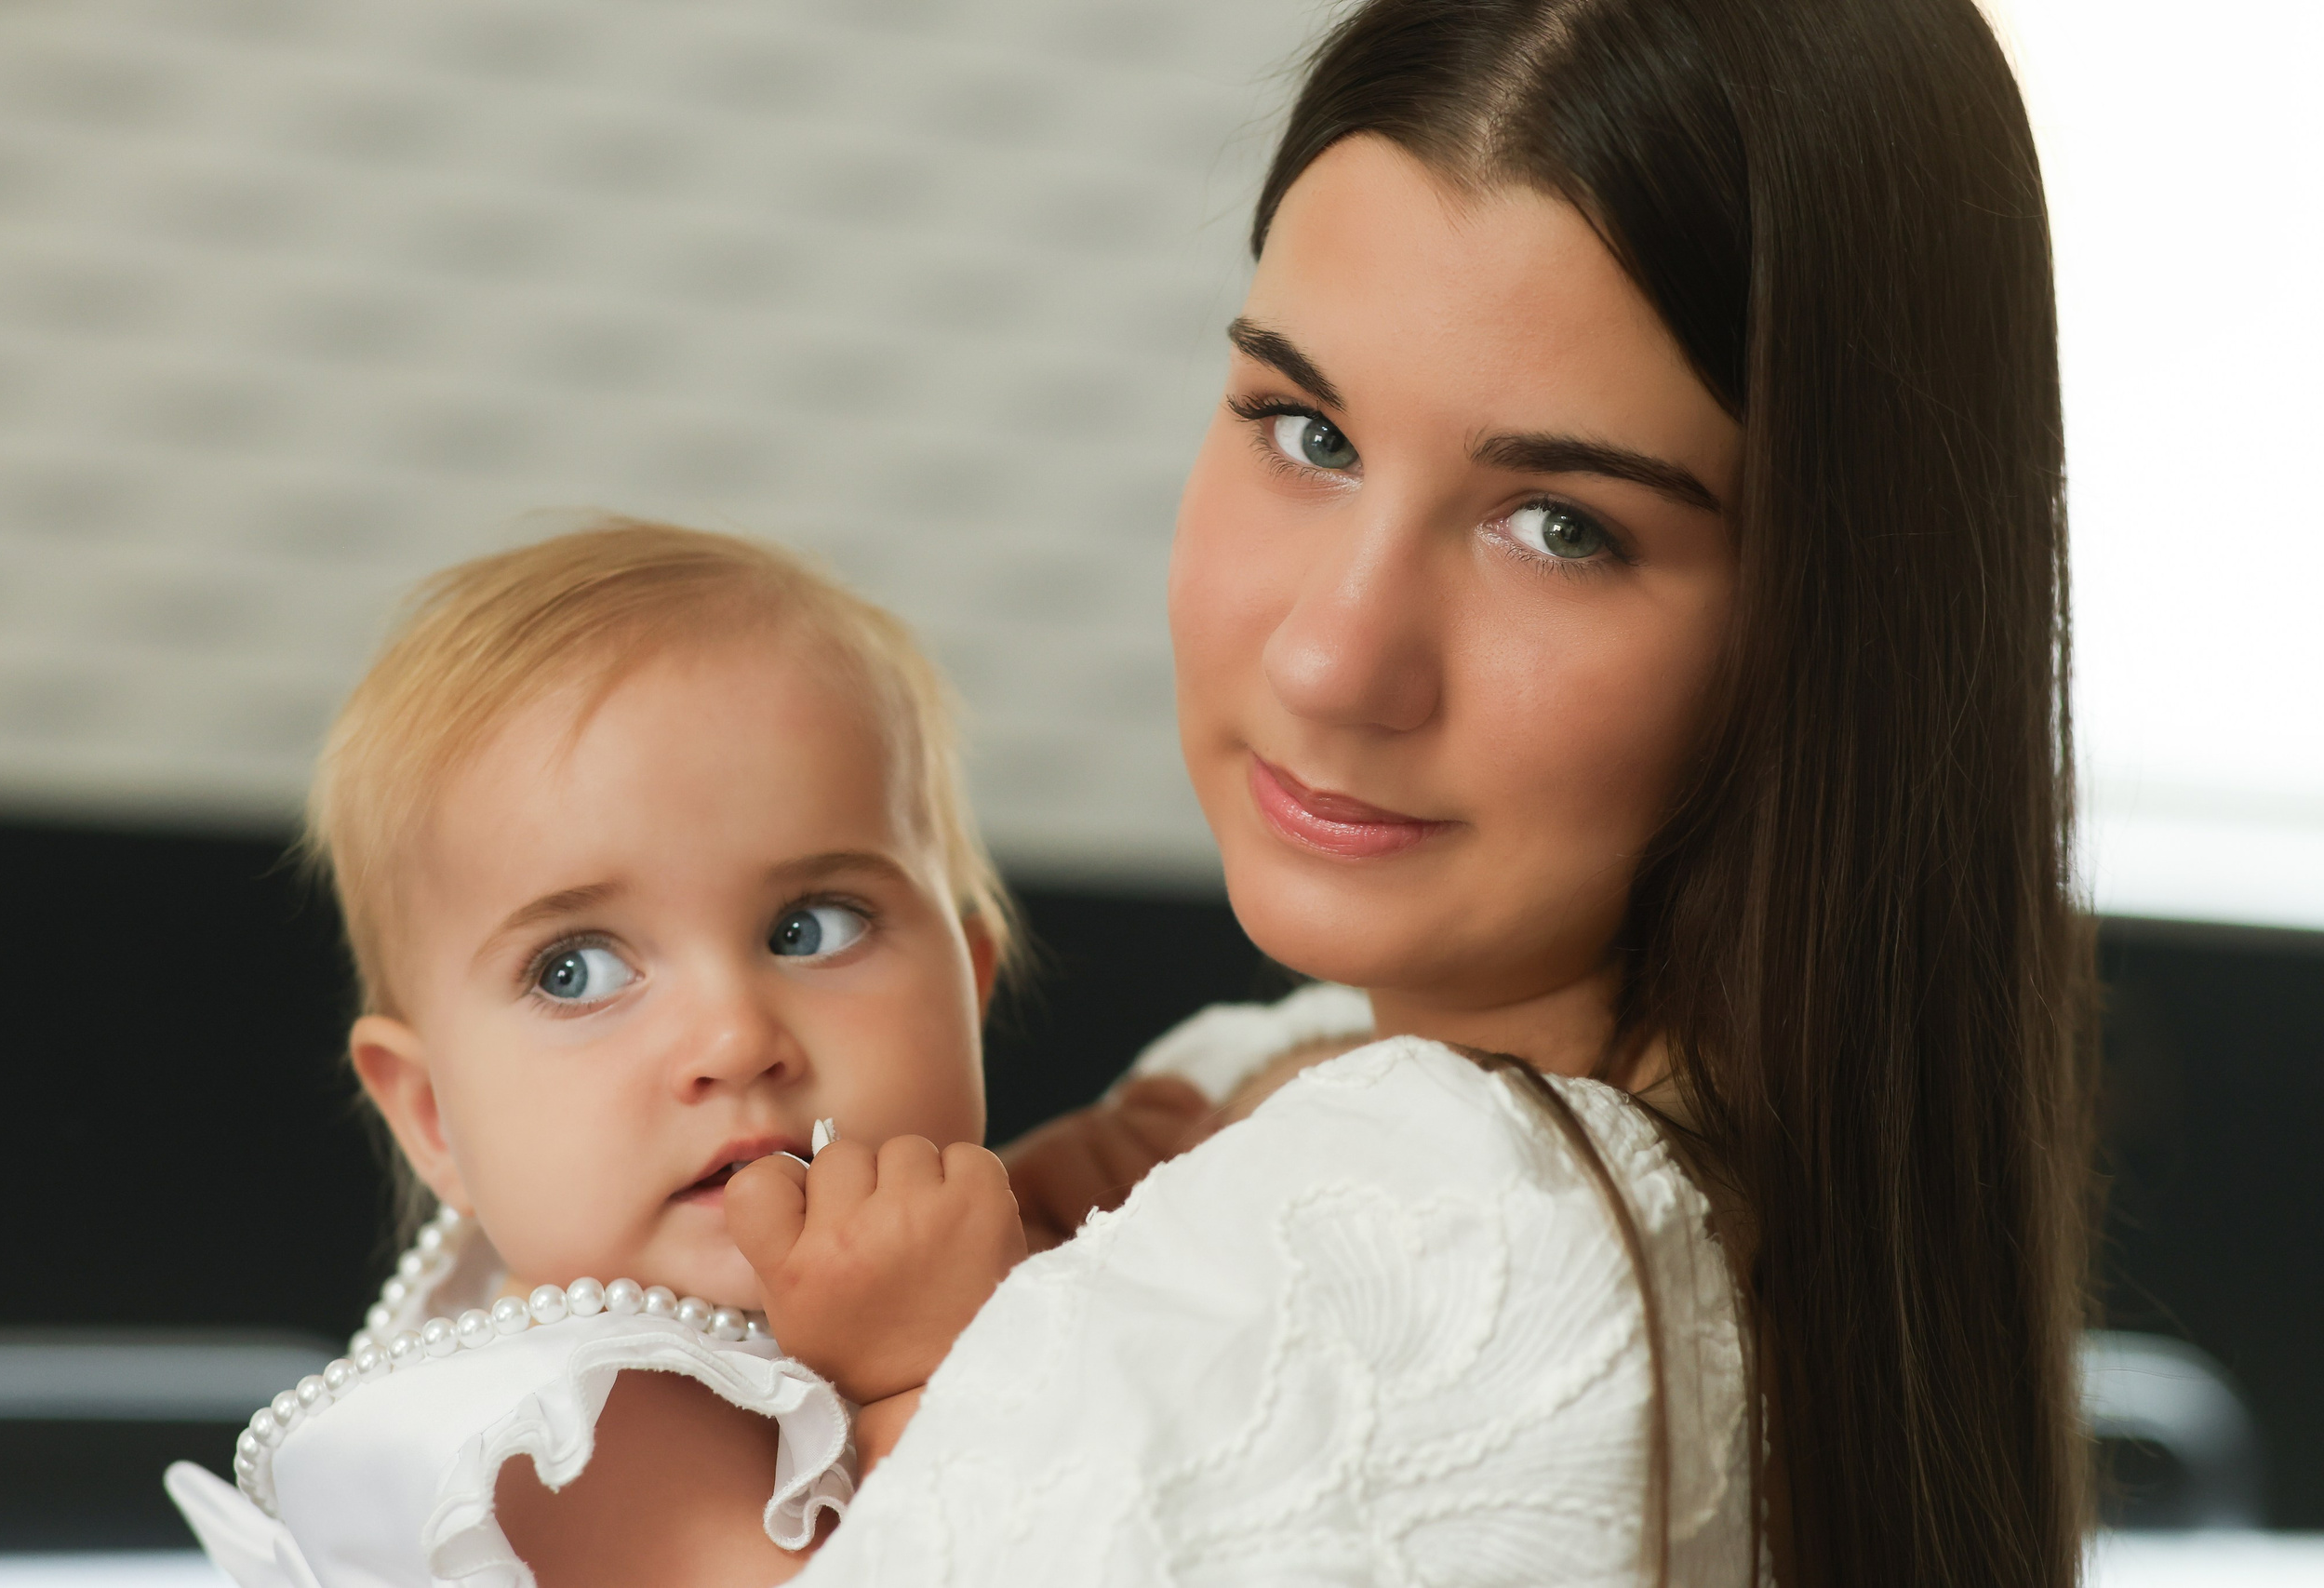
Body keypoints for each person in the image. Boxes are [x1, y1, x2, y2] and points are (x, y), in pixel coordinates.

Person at [795, 2, 2092, 1585]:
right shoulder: (1281, 1077)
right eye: (1307, 429)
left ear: (1843, 621)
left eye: (1561, 526)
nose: (1337, 658)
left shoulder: (1451, 1239)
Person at [164, 521, 1111, 1587]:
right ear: (434, 1118)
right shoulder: (587, 1436)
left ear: (968, 989)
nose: (735, 1040)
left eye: (813, 927)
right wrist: (916, 1376)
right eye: (575, 970)